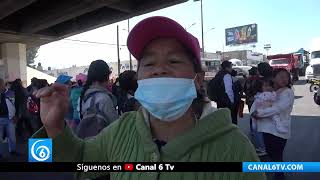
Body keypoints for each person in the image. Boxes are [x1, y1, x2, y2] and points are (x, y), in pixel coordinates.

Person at [33, 16, 265, 180]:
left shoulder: (235, 149)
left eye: (173, 61)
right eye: (149, 63)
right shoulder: (120, 130)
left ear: (197, 79)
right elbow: (80, 164)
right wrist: (53, 128)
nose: (159, 69)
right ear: (139, 78)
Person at [251, 68, 294, 180]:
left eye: (286, 76)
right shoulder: (269, 91)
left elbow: (277, 108)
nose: (284, 79)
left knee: (277, 156)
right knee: (271, 154)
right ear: (273, 78)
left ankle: (280, 177)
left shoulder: (288, 92)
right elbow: (256, 103)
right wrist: (253, 113)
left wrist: (258, 114)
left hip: (279, 131)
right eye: (280, 76)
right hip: (267, 130)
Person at [76, 60, 118, 138]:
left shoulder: (82, 97)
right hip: (104, 143)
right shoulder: (104, 99)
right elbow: (115, 126)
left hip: (87, 141)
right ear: (105, 75)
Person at [0, 78, 17, 158]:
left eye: (1, 84)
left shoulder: (11, 93)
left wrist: (16, 115)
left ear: (3, 84)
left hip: (10, 118)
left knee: (12, 137)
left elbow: (17, 105)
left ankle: (12, 150)